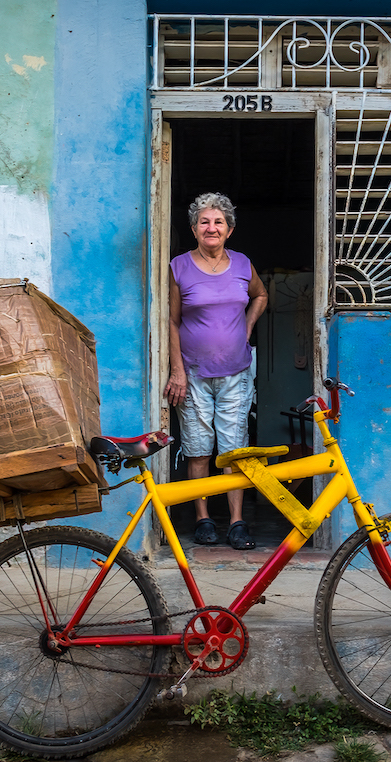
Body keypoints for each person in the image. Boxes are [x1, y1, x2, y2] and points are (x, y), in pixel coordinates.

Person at [165, 193, 268, 550]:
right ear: (194, 229)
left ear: (230, 229)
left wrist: (247, 326)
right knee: (198, 450)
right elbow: (172, 322)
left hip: (236, 371)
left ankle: (237, 522)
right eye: (205, 222)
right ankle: (203, 519)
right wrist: (176, 371)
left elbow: (260, 295)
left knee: (234, 448)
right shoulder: (179, 267)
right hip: (192, 373)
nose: (212, 228)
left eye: (218, 222)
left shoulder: (242, 264)